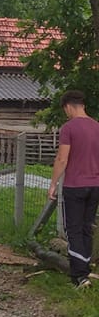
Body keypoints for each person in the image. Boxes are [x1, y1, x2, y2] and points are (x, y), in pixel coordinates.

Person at [48, 89, 99, 288]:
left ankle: (79, 276)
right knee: (87, 228)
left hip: (75, 185)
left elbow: (62, 158)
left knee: (74, 229)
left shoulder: (68, 128)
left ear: (68, 106)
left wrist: (53, 183)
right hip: (95, 185)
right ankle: (85, 269)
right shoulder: (97, 126)